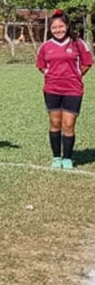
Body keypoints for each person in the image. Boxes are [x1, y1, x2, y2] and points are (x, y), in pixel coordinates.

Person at [36, 10, 92, 170]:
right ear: (50, 29)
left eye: (61, 26)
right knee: (55, 122)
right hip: (52, 89)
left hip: (73, 90)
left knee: (68, 124)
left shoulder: (78, 43)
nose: (58, 30)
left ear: (67, 26)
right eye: (54, 27)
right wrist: (51, 75)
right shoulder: (45, 46)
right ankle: (56, 157)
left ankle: (67, 158)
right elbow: (40, 65)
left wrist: (76, 75)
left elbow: (87, 62)